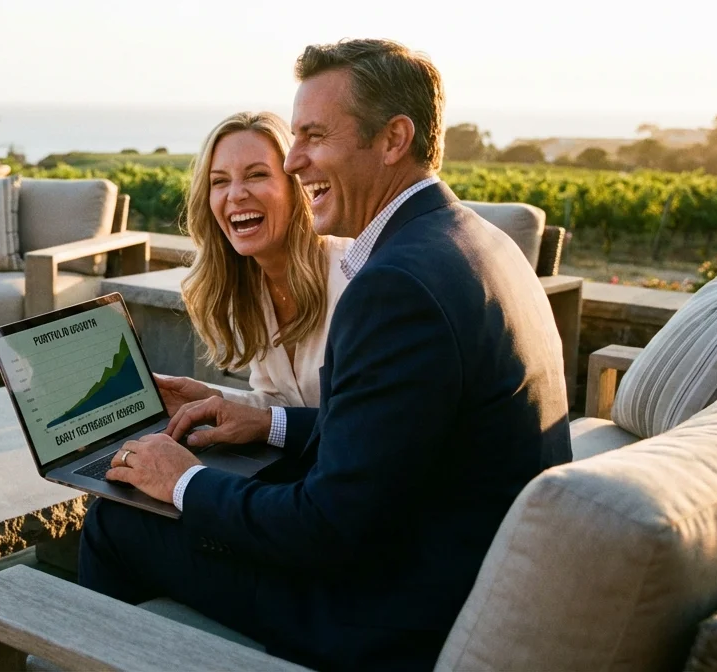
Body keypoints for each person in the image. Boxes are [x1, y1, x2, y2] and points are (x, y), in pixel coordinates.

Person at [80, 39, 572, 670]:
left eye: (312, 136)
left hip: (390, 616)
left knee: (121, 521)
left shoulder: (394, 286)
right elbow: (405, 429)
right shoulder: (478, 241)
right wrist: (267, 419)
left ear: (394, 138)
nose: (294, 158)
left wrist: (182, 481)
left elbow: (325, 529)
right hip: (455, 569)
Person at [155, 111, 352, 419]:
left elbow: (354, 424)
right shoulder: (246, 287)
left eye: (256, 175)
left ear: (295, 187)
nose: (235, 195)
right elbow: (282, 404)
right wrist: (210, 399)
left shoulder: (352, 279)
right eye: (219, 181)